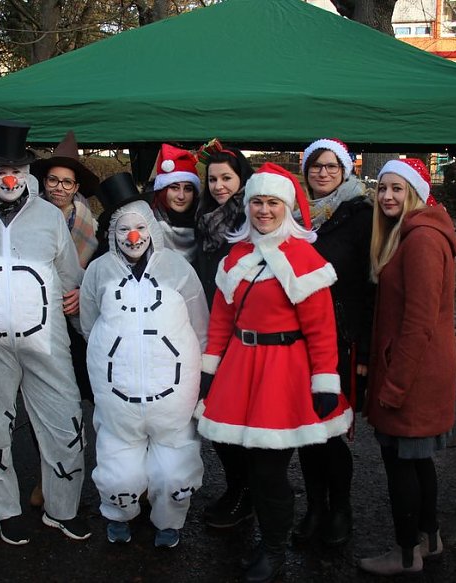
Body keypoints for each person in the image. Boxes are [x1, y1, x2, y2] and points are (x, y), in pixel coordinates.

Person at [196, 163, 353, 583]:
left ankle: (275, 551)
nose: (264, 211)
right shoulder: (236, 255)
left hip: (285, 374)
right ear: (247, 207)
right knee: (252, 466)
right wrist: (209, 369)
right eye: (257, 202)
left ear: (287, 207)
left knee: (268, 471)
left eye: (272, 203)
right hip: (242, 369)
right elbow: (220, 321)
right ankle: (268, 541)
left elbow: (322, 329)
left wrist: (325, 380)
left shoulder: (305, 257)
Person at [0, 120, 89, 545]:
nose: (9, 177)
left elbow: (71, 276)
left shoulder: (49, 216)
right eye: (0, 169)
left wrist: (81, 303)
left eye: (17, 168)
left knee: (66, 423)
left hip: (47, 343)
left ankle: (62, 508)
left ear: (28, 172)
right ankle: (5, 510)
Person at [80, 172, 208, 548]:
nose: (132, 237)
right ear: (112, 233)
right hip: (119, 399)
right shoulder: (100, 271)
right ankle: (120, 512)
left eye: (140, 227)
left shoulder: (177, 269)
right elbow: (89, 323)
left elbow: (199, 326)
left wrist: (197, 382)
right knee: (119, 470)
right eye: (124, 229)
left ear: (151, 229)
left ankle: (169, 520)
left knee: (174, 470)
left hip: (172, 398)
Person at [358, 158, 456, 576]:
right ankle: (430, 539)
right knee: (418, 462)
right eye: (382, 189)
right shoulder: (416, 234)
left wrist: (394, 387)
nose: (387, 197)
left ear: (415, 192)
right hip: (417, 369)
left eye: (397, 189)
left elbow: (418, 325)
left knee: (401, 464)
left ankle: (405, 555)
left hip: (413, 375)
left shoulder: (421, 241)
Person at [294, 138, 374, 546]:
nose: (323, 173)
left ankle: (340, 510)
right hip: (300, 338)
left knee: (330, 428)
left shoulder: (360, 214)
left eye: (331, 166)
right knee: (307, 428)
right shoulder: (297, 215)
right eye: (315, 166)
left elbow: (368, 284)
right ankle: (315, 509)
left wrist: (364, 347)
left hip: (341, 338)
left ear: (345, 170)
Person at [26, 129, 100, 508]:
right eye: (52, 180)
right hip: (39, 324)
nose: (58, 187)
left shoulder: (90, 227)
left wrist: (82, 289)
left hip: (80, 330)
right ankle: (48, 477)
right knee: (48, 406)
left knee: (90, 404)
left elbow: (102, 272)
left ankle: (107, 477)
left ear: (75, 188)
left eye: (66, 182)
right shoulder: (26, 217)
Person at [192, 139, 256, 529]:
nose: (218, 186)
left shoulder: (247, 222)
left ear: (241, 180)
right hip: (210, 333)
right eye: (212, 179)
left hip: (239, 337)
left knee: (236, 422)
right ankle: (238, 489)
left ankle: (245, 494)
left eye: (226, 178)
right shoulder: (207, 221)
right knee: (215, 419)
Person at [150, 144, 200, 263]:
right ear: (163, 190)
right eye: (174, 188)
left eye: (188, 189)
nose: (181, 196)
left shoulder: (206, 226)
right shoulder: (147, 227)